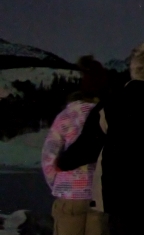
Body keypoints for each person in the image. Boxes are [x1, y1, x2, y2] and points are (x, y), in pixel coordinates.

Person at [57, 42, 144, 235]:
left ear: (134, 68)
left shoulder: (112, 104)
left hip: (119, 199)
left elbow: (88, 146)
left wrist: (63, 161)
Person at [41, 55, 109, 235]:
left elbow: (49, 155)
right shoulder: (108, 118)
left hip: (69, 196)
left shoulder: (66, 116)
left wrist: (57, 184)